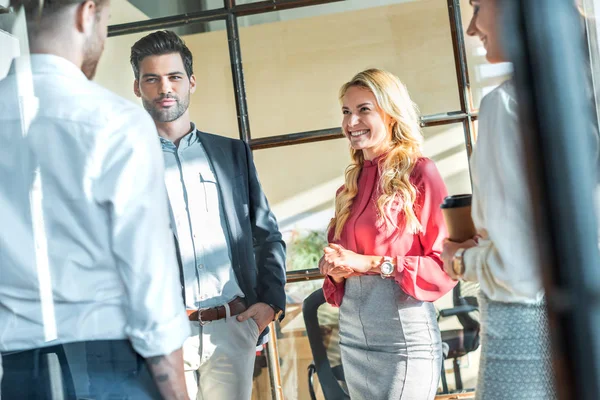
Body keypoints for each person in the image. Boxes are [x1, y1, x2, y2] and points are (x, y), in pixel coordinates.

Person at [0, 1, 190, 399]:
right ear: (88, 12)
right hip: (112, 370)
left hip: (17, 373)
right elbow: (149, 280)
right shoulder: (115, 122)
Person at [129, 30, 287, 400]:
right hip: (164, 334)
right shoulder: (124, 160)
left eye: (174, 77)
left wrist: (272, 302)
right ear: (137, 88)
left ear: (191, 82)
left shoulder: (231, 153)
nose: (164, 88)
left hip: (233, 327)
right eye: (151, 79)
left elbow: (265, 233)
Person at [440, 0, 556, 398]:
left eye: (476, 7)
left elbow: (518, 270)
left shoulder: (505, 105)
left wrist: (458, 259)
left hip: (524, 333)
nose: (471, 28)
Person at [319, 68, 457, 399]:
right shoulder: (347, 189)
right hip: (353, 338)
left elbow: (444, 264)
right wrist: (335, 271)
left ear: (391, 114)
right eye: (346, 112)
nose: (352, 122)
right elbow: (341, 272)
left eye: (364, 109)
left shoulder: (421, 173)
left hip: (403, 339)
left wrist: (370, 264)